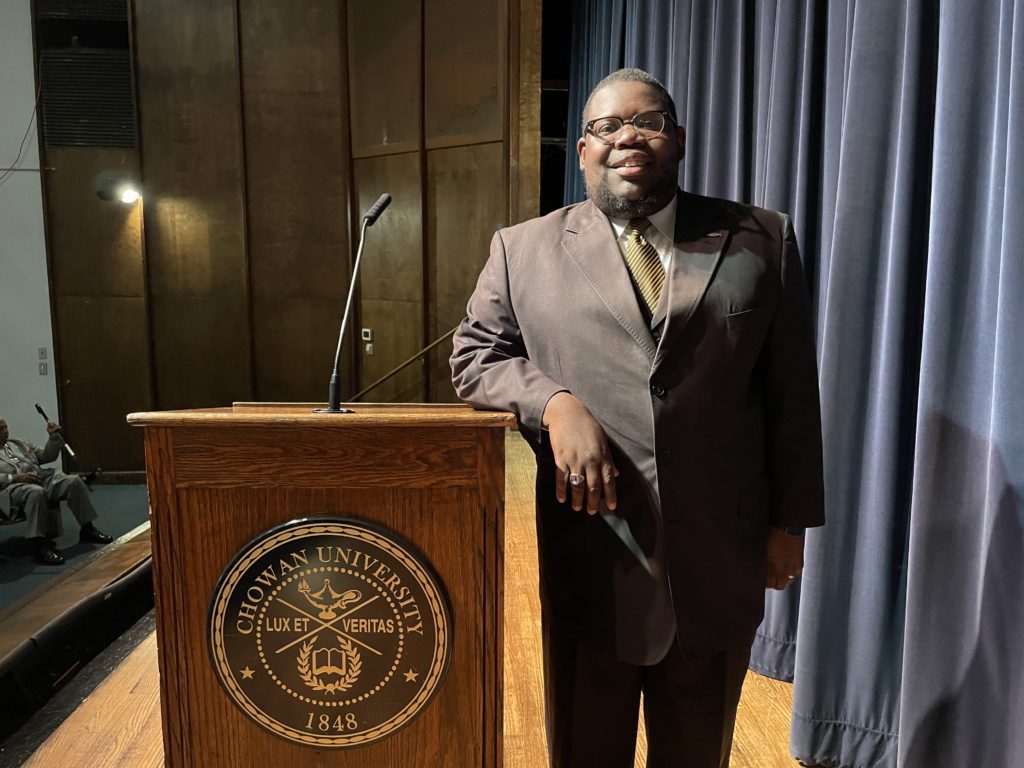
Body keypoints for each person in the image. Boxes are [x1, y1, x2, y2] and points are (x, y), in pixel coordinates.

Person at [451, 68, 824, 767]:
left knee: (698, 751)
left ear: (677, 139)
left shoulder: (760, 240)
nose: (627, 135)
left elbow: (791, 394)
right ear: (583, 150)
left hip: (718, 559)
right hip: (593, 554)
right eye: (604, 126)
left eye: (647, 121)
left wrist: (789, 526)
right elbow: (475, 356)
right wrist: (554, 403)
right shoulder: (523, 249)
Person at [0, 416, 112, 565]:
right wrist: (13, 478)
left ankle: (87, 528)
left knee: (73, 481)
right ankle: (39, 545)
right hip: (11, 488)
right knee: (35, 492)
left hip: (39, 479)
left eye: (5, 427)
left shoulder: (19, 443)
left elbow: (47, 456)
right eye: (0, 429)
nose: (5, 431)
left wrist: (53, 439)